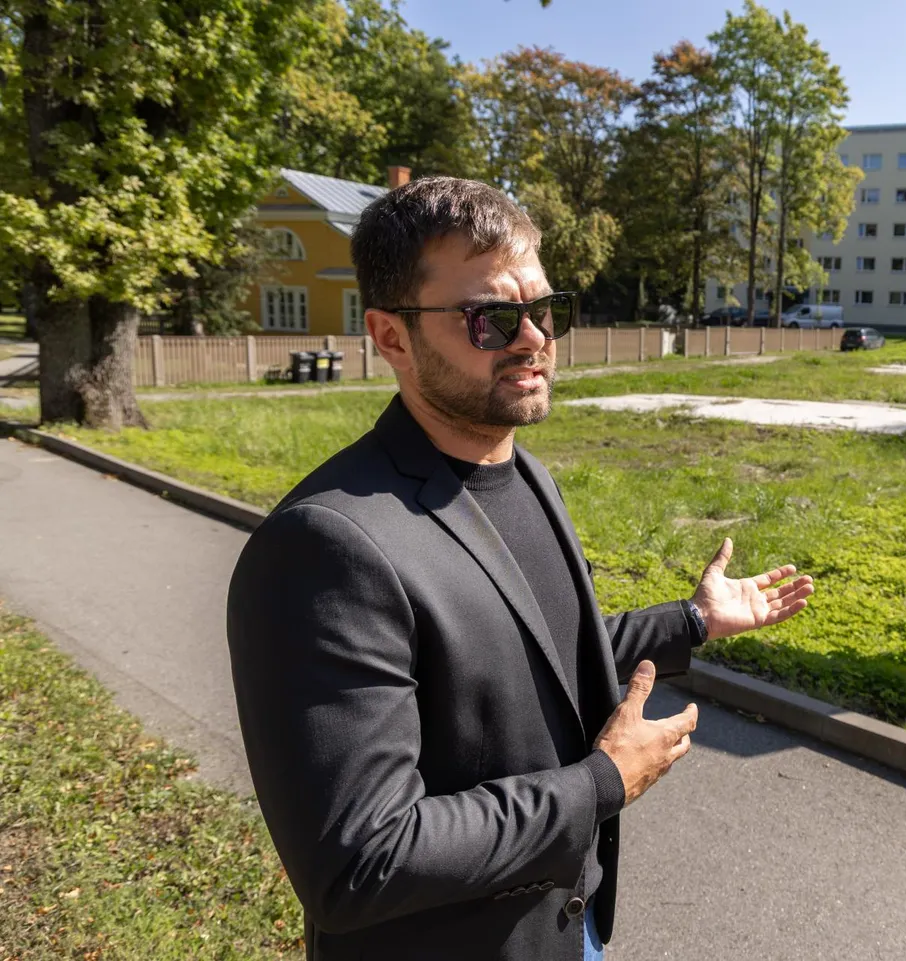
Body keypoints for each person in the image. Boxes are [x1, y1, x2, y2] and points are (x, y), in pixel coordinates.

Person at [226, 177, 814, 961]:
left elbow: (528, 658)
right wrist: (602, 785)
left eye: (546, 310)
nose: (533, 337)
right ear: (391, 335)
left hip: (569, 931)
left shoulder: (525, 475)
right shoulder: (326, 547)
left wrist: (692, 621)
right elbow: (359, 861)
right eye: (491, 317)